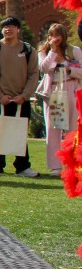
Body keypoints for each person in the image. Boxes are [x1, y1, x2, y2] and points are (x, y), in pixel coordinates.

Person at [0, 16, 40, 178]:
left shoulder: (28, 50)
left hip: (21, 100)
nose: (8, 29)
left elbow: (34, 74)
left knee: (20, 133)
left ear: (18, 29)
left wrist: (25, 95)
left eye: (12, 26)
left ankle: (22, 167)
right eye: (5, 27)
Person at [36, 22, 82, 176]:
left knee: (72, 129)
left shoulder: (74, 51)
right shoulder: (44, 52)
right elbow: (43, 68)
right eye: (51, 35)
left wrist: (70, 70)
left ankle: (72, 163)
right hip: (53, 92)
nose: (54, 38)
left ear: (63, 36)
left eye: (57, 35)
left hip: (71, 89)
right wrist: (53, 51)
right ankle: (55, 166)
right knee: (53, 128)